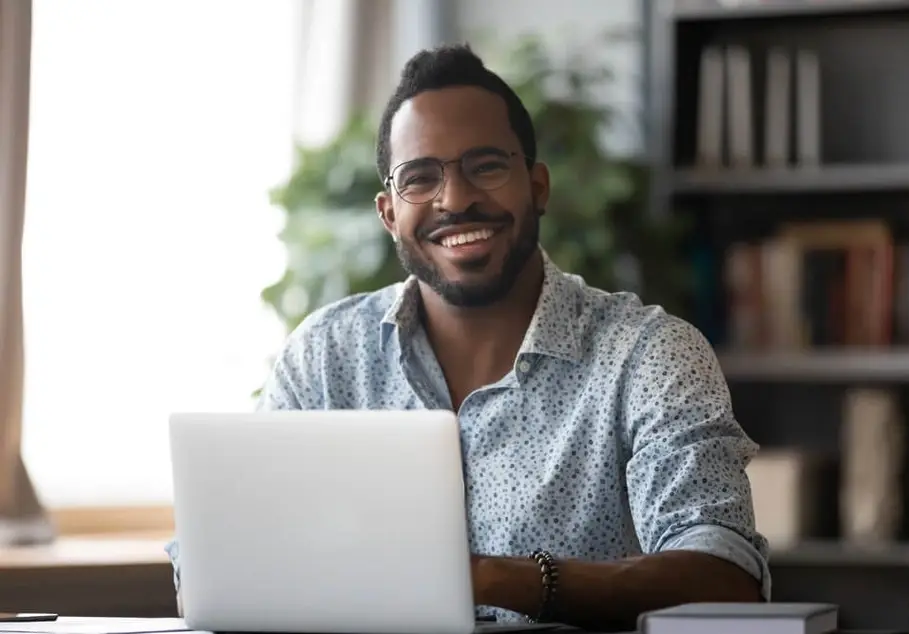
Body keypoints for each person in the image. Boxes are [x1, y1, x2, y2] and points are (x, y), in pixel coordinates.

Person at [166, 43, 770, 629]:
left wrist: (500, 580)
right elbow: (220, 564)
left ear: (537, 186)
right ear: (388, 213)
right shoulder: (325, 358)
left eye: (486, 167)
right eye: (420, 178)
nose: (455, 199)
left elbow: (725, 579)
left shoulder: (649, 356)